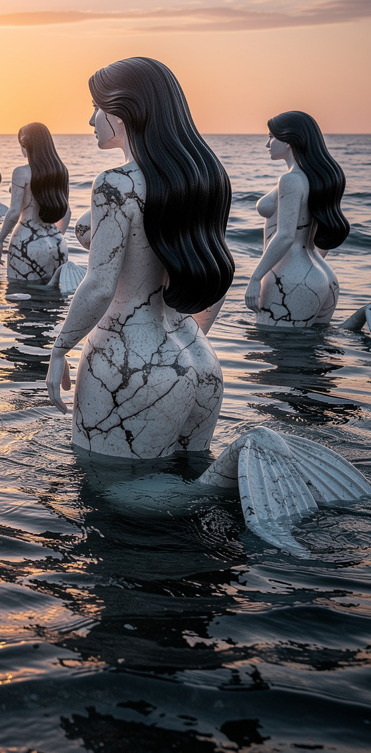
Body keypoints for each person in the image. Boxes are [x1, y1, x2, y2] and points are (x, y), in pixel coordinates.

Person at [44, 57, 368, 555]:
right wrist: (179, 354)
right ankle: (236, 481)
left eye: (96, 107)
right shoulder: (202, 177)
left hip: (127, 360)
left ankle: (241, 463)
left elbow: (99, 286)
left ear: (125, 110)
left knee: (114, 496)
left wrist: (59, 348)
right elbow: (215, 272)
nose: (91, 120)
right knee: (182, 484)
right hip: (197, 356)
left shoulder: (115, 183)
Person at [245, 111, 348, 327]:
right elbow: (319, 226)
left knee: (276, 344)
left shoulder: (291, 180)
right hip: (320, 273)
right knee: (315, 345)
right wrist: (310, 270)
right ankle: (362, 315)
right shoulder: (313, 178)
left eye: (271, 137)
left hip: (289, 277)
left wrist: (255, 278)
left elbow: (285, 235)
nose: (267, 144)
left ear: (289, 140)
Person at [0, 122, 72, 284]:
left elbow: (14, 212)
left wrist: (0, 240)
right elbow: (67, 212)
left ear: (25, 144)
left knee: (19, 292)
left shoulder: (21, 172)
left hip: (26, 242)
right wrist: (55, 236)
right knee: (53, 295)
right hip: (57, 242)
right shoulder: (61, 171)